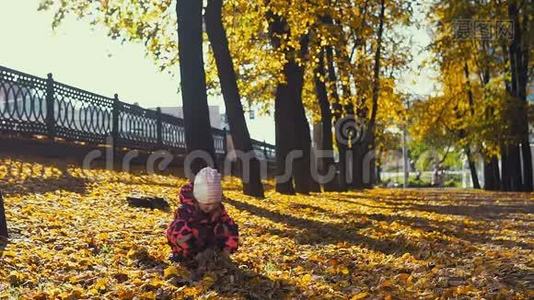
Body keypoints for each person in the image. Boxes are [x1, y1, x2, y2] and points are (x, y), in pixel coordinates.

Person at [166, 167, 239, 263]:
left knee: (227, 225)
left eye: (215, 204)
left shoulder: (218, 211)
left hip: (211, 246)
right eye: (207, 204)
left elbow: (231, 228)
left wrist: (227, 248)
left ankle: (218, 257)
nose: (211, 207)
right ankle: (186, 256)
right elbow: (176, 232)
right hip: (188, 248)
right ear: (197, 199)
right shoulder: (186, 211)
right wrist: (191, 249)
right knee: (181, 228)